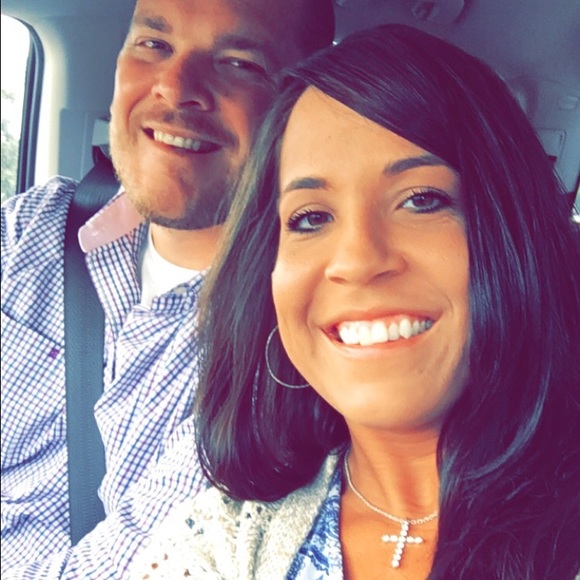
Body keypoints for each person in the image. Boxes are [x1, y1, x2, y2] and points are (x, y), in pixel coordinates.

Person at [131, 23, 580, 580]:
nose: (358, 259)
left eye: (421, 200)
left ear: (514, 234)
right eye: (310, 218)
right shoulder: (217, 542)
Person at [0, 0, 335, 577]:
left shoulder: (287, 344)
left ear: (301, 105)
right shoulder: (30, 229)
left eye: (239, 63)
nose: (176, 88)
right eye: (154, 45)